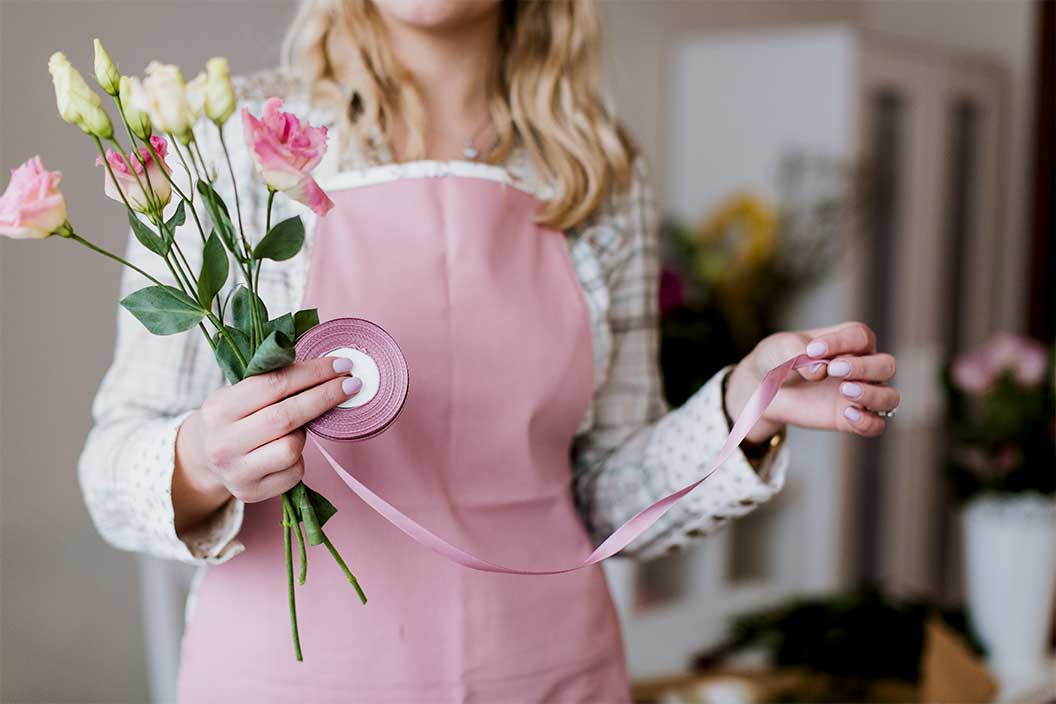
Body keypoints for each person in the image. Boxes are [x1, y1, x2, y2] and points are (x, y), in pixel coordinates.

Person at [79, 1, 899, 701]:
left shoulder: (596, 172)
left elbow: (612, 496)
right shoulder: (218, 143)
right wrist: (202, 460)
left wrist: (738, 408)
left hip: (547, 675)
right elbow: (111, 466)